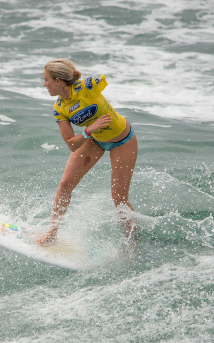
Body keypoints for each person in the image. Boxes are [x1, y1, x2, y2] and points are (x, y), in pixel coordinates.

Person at [37, 58, 139, 246]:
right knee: (65, 184)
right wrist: (89, 130)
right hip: (96, 139)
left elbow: (116, 71)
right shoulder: (60, 108)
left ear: (58, 81)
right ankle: (52, 233)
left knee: (119, 200)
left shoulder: (88, 86)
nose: (44, 84)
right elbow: (71, 144)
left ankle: (134, 242)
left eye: (46, 80)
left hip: (123, 141)